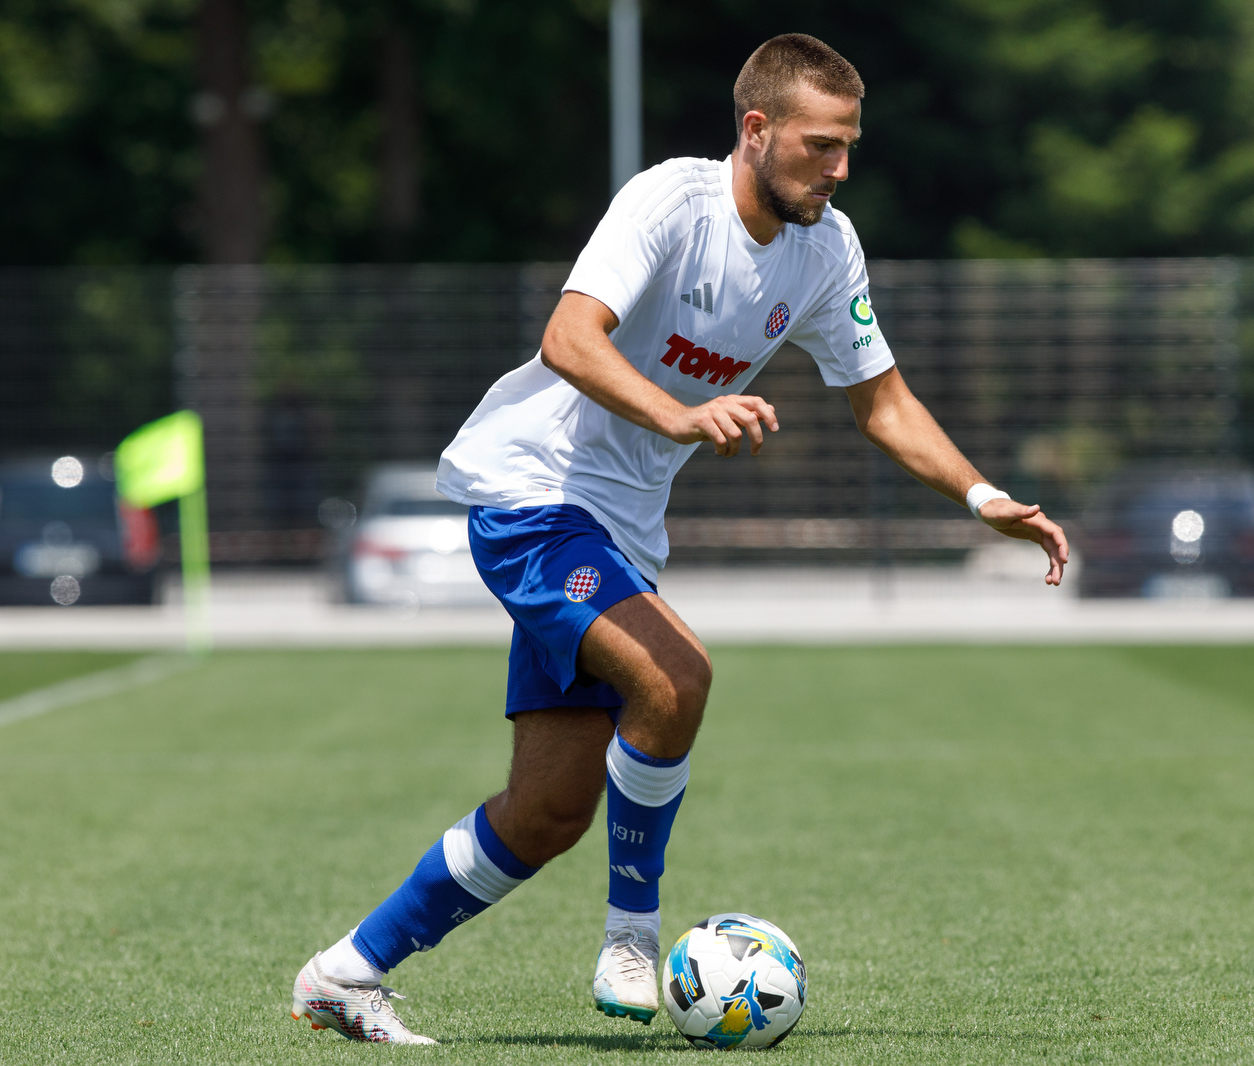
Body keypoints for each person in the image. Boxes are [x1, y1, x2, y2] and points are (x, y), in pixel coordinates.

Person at [289, 33, 1068, 1044]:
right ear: (756, 131)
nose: (838, 169)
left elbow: (882, 400)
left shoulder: (827, 248)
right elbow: (567, 338)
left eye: (849, 148)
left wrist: (980, 495)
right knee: (677, 677)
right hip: (533, 494)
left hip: (618, 532)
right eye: (820, 146)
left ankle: (344, 974)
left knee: (548, 812)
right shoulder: (672, 202)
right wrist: (679, 414)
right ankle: (631, 933)